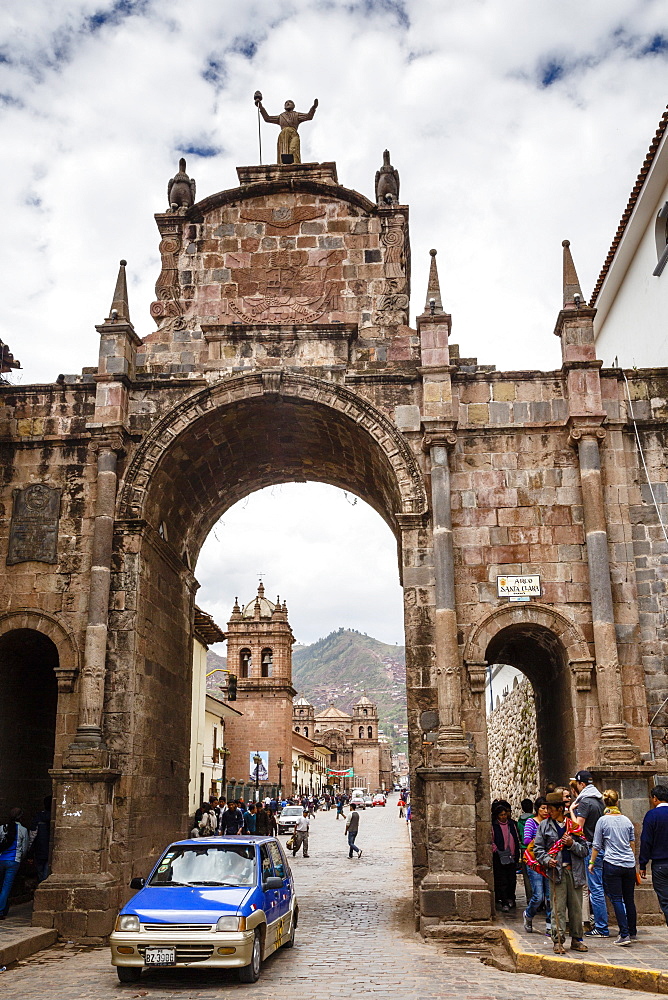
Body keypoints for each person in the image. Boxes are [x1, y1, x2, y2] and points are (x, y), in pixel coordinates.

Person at [534, 791, 588, 955]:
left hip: (574, 872)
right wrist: (546, 861)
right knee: (557, 908)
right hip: (556, 873)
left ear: (559, 809)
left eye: (551, 808)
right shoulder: (544, 826)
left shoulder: (574, 827)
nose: (548, 811)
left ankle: (577, 939)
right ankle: (557, 941)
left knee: (576, 908)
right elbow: (538, 849)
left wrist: (572, 844)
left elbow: (584, 850)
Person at [590, 789, 636, 946]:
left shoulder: (602, 821)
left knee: (616, 898)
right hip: (629, 864)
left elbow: (596, 845)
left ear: (605, 803)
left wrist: (591, 862)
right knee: (629, 898)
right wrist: (633, 860)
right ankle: (632, 930)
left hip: (612, 863)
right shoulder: (627, 820)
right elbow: (632, 843)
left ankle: (624, 934)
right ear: (617, 802)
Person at [570, 769, 608, 938]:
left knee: (595, 888)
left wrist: (571, 810)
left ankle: (601, 927)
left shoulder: (584, 802)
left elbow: (577, 828)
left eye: (578, 784)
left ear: (582, 784)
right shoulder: (600, 801)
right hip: (601, 847)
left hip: (590, 847)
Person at [639, 784, 668, 925]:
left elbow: (646, 841)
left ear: (655, 798)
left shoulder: (652, 815)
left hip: (660, 864)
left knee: (665, 901)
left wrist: (643, 863)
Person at [522, 796, 551, 934]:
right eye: (543, 808)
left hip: (549, 861)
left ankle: (550, 926)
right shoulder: (531, 822)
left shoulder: (551, 823)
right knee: (538, 896)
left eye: (547, 808)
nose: (545, 811)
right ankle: (528, 914)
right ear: (537, 809)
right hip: (535, 862)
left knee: (550, 896)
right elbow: (527, 840)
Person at [0, 807, 30, 918]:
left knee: (1, 885)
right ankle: (0, 910)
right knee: (6, 887)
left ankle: (3, 908)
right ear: (21, 817)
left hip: (1, 859)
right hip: (14, 860)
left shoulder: (2, 828)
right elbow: (25, 847)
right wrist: (22, 859)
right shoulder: (23, 830)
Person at [491, 800, 520, 912]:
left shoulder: (512, 824)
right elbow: (491, 840)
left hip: (511, 856)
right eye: (501, 815)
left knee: (511, 879)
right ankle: (504, 901)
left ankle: (511, 898)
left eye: (505, 814)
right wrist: (497, 850)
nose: (504, 817)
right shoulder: (494, 826)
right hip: (500, 857)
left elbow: (516, 839)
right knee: (502, 880)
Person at [30, 796, 52, 883]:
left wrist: (30, 850)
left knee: (40, 873)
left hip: (39, 849)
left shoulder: (38, 817)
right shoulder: (56, 817)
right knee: (45, 874)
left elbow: (32, 835)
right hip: (49, 851)